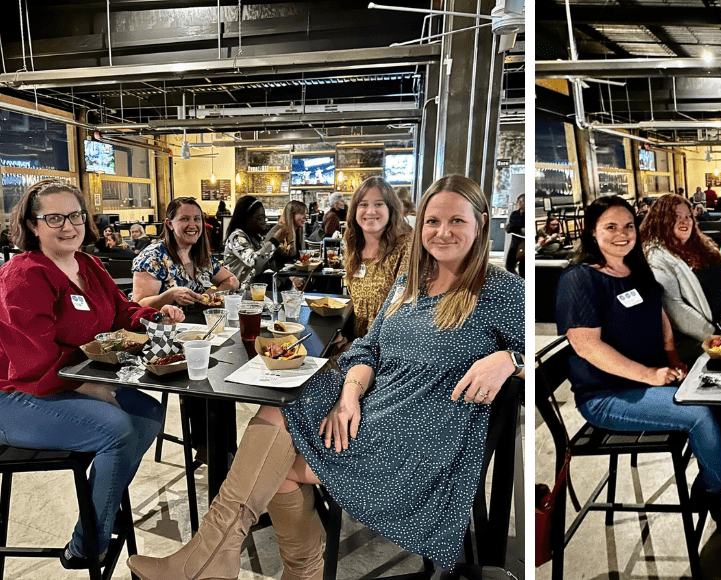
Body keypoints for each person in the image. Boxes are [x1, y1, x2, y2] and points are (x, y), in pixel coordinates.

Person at [127, 175, 525, 580]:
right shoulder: (410, 282)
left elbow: (547, 352)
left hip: (420, 431)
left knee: (275, 462)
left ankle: (254, 564)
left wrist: (511, 358)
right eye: (433, 221)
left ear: (482, 221)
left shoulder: (503, 290)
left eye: (456, 221)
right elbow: (370, 347)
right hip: (376, 402)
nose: (442, 232)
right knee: (280, 407)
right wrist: (349, 395)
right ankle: (226, 557)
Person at [555, 195, 721, 529]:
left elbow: (661, 319)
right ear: (591, 232)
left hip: (650, 379)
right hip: (607, 395)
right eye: (610, 227)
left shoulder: (634, 267)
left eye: (628, 225)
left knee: (718, 398)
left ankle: (709, 488)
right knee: (698, 412)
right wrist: (648, 374)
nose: (622, 233)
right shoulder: (580, 279)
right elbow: (587, 346)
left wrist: (673, 360)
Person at [0, 180, 184, 571]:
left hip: (68, 383)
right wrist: (88, 385)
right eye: (54, 218)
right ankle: (87, 544)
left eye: (75, 215)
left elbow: (120, 312)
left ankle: (101, 503)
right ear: (33, 225)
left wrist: (153, 316)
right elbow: (33, 358)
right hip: (19, 393)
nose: (68, 226)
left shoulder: (88, 265)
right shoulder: (24, 275)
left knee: (148, 414)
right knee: (115, 429)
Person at [640, 194, 721, 362]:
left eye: (688, 216)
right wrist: (714, 335)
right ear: (660, 220)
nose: (684, 221)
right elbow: (674, 307)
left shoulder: (701, 244)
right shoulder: (657, 256)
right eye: (676, 217)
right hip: (706, 339)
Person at [334, 176, 412, 347]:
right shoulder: (354, 245)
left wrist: (356, 346)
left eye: (378, 204)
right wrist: (344, 336)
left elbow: (401, 313)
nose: (370, 211)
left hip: (388, 349)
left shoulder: (406, 246)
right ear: (354, 210)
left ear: (391, 209)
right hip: (358, 343)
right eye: (363, 204)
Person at [133, 197, 238, 310]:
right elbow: (139, 305)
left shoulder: (200, 254)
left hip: (199, 324)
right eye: (184, 219)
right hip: (167, 325)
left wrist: (216, 293)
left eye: (197, 219)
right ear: (170, 224)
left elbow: (232, 280)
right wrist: (170, 296)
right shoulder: (152, 257)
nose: (192, 225)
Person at [223, 196, 282, 288]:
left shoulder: (256, 237)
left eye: (264, 218)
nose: (263, 222)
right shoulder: (237, 237)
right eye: (260, 218)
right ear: (246, 218)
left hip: (255, 289)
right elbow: (254, 261)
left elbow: (265, 263)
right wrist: (275, 240)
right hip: (237, 292)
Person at [505, 193, 525, 277]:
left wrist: (515, 227)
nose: (520, 203)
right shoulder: (514, 214)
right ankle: (517, 281)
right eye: (519, 201)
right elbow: (509, 228)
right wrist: (520, 229)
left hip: (524, 243)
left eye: (523, 201)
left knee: (523, 268)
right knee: (509, 265)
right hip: (514, 242)